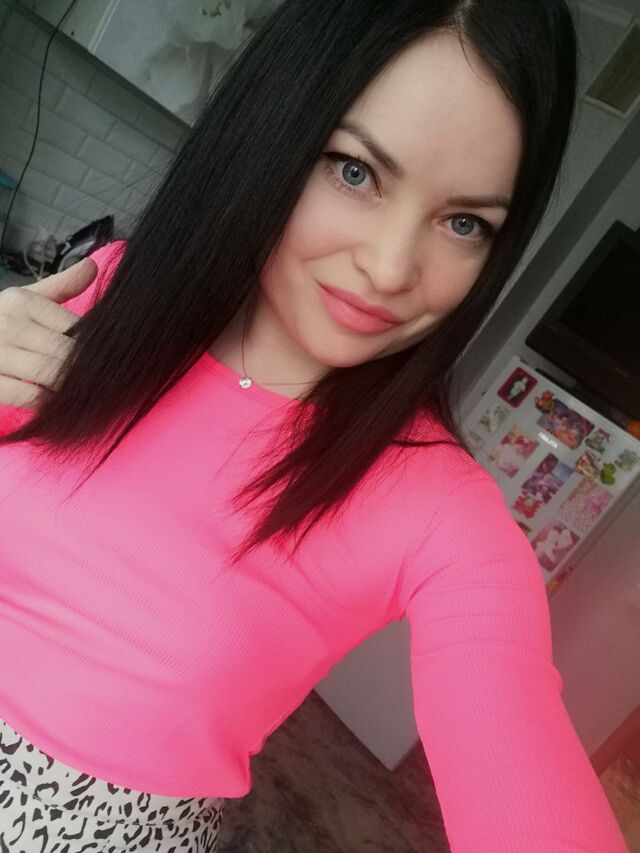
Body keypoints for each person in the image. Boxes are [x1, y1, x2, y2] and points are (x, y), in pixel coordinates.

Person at [0, 1, 630, 851]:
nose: (390, 267)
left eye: (465, 223)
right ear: (274, 131)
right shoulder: (108, 292)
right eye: (356, 172)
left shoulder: (442, 513)